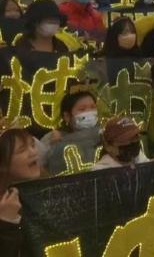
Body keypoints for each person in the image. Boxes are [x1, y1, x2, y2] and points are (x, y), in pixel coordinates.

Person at [0, 128, 43, 257]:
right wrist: (6, 223)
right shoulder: (4, 207)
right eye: (22, 150)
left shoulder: (48, 189)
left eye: (32, 145)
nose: (33, 152)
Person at [41, 90, 100, 174]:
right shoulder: (51, 138)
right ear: (67, 116)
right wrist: (55, 145)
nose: (89, 112)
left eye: (93, 107)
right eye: (82, 109)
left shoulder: (104, 132)